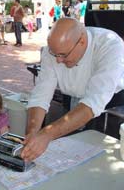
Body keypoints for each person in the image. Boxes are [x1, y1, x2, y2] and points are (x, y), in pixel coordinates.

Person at [21, 17, 124, 162]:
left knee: (100, 158)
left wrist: (47, 134)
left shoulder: (110, 45)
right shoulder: (54, 50)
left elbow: (93, 102)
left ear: (81, 41)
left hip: (109, 104)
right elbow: (41, 95)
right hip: (72, 99)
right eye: (55, 54)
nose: (58, 60)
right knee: (71, 153)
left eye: (63, 55)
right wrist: (33, 132)